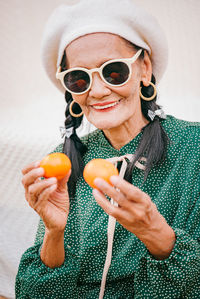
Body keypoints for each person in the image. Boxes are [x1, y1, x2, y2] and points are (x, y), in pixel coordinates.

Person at [15, 0, 200, 298]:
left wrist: (154, 231)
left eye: (113, 72)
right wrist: (53, 233)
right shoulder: (65, 162)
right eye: (80, 78)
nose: (98, 91)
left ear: (144, 68)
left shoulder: (193, 149)